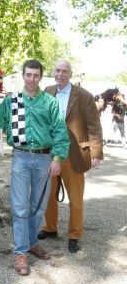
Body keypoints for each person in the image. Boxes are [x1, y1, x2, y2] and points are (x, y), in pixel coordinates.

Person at [0, 59, 69, 276]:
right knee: (19, 207)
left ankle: (32, 242)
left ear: (40, 77)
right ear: (23, 75)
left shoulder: (50, 103)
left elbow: (61, 133)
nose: (32, 79)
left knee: (39, 207)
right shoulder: (12, 101)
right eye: (28, 75)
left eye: (36, 75)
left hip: (45, 159)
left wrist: (57, 158)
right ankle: (20, 252)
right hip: (21, 159)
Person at [38, 59, 103, 253]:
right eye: (57, 70)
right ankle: (50, 228)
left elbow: (94, 126)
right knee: (48, 196)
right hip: (49, 153)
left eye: (64, 71)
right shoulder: (47, 91)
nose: (60, 74)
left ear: (70, 74)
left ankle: (74, 235)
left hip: (73, 155)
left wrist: (96, 152)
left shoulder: (83, 96)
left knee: (75, 199)